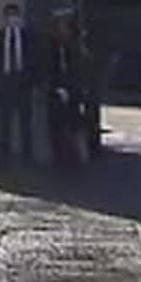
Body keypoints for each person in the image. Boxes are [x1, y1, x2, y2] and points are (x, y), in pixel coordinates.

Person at [0, 2, 40, 167]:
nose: (13, 19)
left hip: (24, 85)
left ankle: (27, 156)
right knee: (4, 123)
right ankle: (3, 156)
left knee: (25, 123)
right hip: (4, 85)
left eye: (15, 15)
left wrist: (34, 82)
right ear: (5, 18)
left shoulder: (28, 37)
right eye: (10, 16)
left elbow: (35, 60)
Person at [44, 9, 92, 172]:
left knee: (75, 125)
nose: (62, 28)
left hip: (73, 91)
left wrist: (74, 88)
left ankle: (78, 158)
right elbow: (48, 69)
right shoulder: (51, 44)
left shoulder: (75, 45)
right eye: (59, 24)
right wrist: (55, 87)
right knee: (55, 127)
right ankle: (60, 158)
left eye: (65, 24)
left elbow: (79, 68)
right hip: (55, 91)